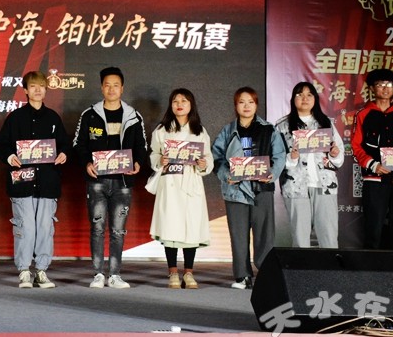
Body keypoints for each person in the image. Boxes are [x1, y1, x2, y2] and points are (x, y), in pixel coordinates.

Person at [72, 66, 147, 289]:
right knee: (97, 228)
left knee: (118, 230)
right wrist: (87, 163)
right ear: (101, 88)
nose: (111, 89)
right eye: (107, 85)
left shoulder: (133, 116)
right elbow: (78, 144)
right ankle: (97, 274)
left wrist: (138, 162)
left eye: (116, 85)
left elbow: (142, 146)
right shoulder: (89, 115)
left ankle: (115, 274)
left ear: (122, 88)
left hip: (123, 181)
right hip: (97, 181)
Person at [0, 71, 71, 289]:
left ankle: (42, 270)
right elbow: (2, 145)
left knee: (45, 227)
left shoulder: (53, 118)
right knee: (25, 226)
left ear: (46, 89)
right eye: (33, 86)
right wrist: (10, 157)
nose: (38, 90)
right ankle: (24, 270)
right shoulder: (15, 118)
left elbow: (65, 144)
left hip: (47, 182)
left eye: (41, 86)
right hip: (22, 181)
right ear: (26, 90)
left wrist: (64, 154)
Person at [350, 68, 393, 293]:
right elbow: (356, 146)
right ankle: (371, 279)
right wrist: (372, 164)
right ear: (372, 88)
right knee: (373, 230)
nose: (385, 89)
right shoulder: (363, 114)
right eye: (380, 84)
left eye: (389, 85)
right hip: (374, 180)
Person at [212, 87, 285, 289]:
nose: (246, 106)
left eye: (250, 102)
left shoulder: (269, 129)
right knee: (238, 235)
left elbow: (280, 156)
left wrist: (272, 173)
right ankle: (242, 276)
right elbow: (216, 158)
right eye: (242, 102)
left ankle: (265, 274)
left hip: (262, 189)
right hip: (236, 191)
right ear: (235, 105)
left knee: (265, 235)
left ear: (256, 105)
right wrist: (227, 175)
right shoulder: (228, 131)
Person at [148, 88, 213, 289]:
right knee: (170, 227)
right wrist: (160, 160)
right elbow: (154, 154)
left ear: (191, 105)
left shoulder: (199, 131)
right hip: (170, 184)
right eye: (175, 101)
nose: (179, 104)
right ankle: (173, 273)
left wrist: (203, 164)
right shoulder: (162, 130)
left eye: (184, 101)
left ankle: (189, 273)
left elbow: (208, 157)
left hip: (191, 183)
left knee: (190, 228)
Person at [275, 82, 344, 249]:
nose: (304, 98)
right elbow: (276, 158)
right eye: (299, 95)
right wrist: (291, 158)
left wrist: (334, 154)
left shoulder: (326, 123)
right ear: (293, 99)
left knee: (328, 235)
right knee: (300, 238)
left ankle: (329, 266)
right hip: (296, 187)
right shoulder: (282, 126)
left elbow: (339, 155)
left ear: (315, 99)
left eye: (309, 95)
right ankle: (301, 267)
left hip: (324, 185)